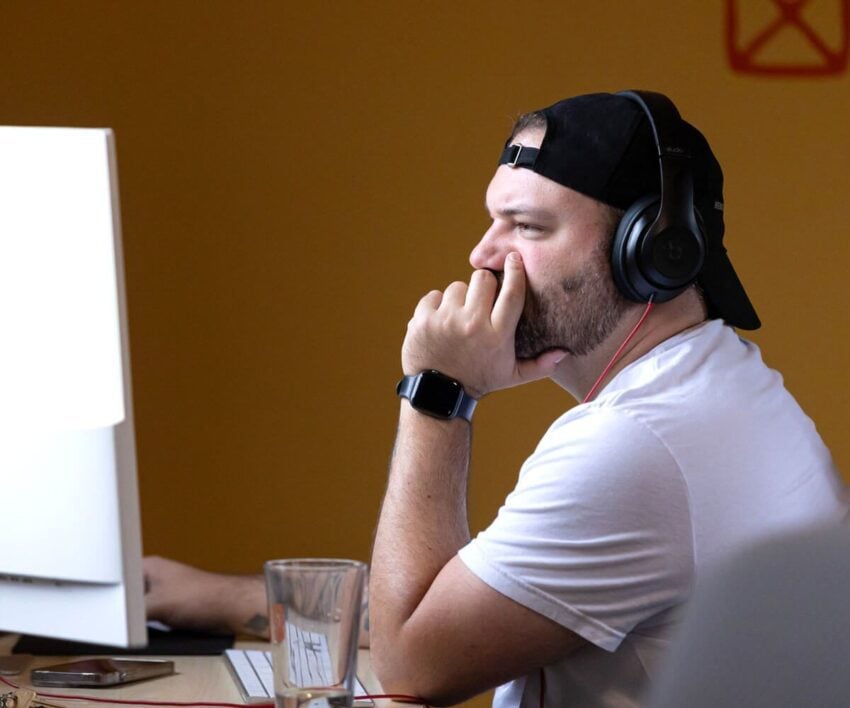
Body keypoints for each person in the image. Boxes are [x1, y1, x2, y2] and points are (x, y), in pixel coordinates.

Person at [146, 91, 847, 707]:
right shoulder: (730, 389)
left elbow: (412, 670)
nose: (484, 253)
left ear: (652, 251)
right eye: (492, 220)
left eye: (529, 227)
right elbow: (488, 603)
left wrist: (438, 392)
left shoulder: (636, 444)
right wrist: (221, 600)